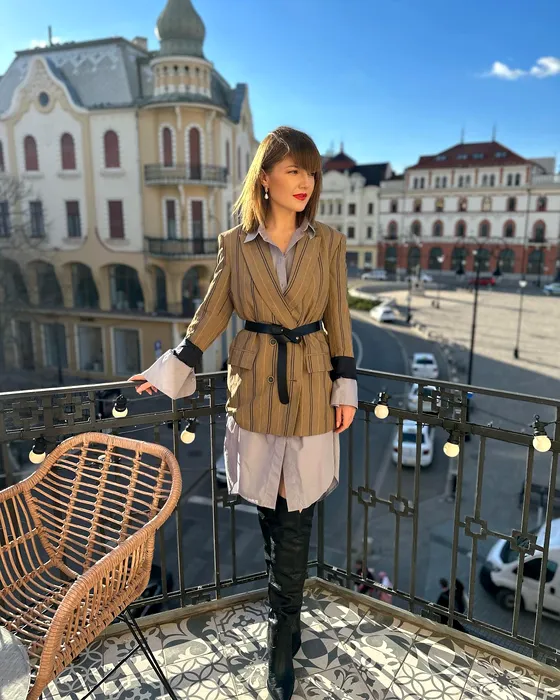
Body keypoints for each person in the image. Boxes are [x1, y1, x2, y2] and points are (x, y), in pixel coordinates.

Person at [130, 126, 358, 700]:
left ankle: (282, 639)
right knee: (269, 507)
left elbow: (339, 316)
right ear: (266, 178)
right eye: (293, 171)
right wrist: (173, 366)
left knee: (296, 508)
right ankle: (287, 620)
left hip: (310, 385)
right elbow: (213, 312)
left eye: (311, 173)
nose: (305, 183)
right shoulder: (236, 244)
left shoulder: (328, 242)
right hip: (255, 386)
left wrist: (345, 386)